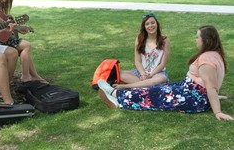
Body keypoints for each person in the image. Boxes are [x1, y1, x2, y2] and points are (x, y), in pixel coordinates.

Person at [98, 25, 233, 121]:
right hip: (190, 92)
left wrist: (217, 111)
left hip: (193, 97)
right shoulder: (214, 54)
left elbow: (211, 87)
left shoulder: (207, 60)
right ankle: (117, 97)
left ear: (207, 40)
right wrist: (212, 97)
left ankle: (116, 95)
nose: (195, 39)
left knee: (154, 94)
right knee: (157, 88)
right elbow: (211, 85)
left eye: (197, 37)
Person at [0, 0, 48, 83]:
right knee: (26, 46)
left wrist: (17, 28)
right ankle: (27, 76)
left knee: (25, 46)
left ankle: (31, 76)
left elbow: (4, 28)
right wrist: (6, 22)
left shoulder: (0, 5)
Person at [116, 13, 170, 89]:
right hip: (141, 73)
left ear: (157, 24)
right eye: (147, 24)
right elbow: (137, 61)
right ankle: (147, 85)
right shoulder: (139, 39)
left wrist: (150, 75)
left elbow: (162, 63)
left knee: (160, 79)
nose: (150, 26)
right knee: (118, 74)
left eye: (153, 23)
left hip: (157, 73)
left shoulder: (165, 40)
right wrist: (143, 74)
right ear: (144, 27)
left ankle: (126, 86)